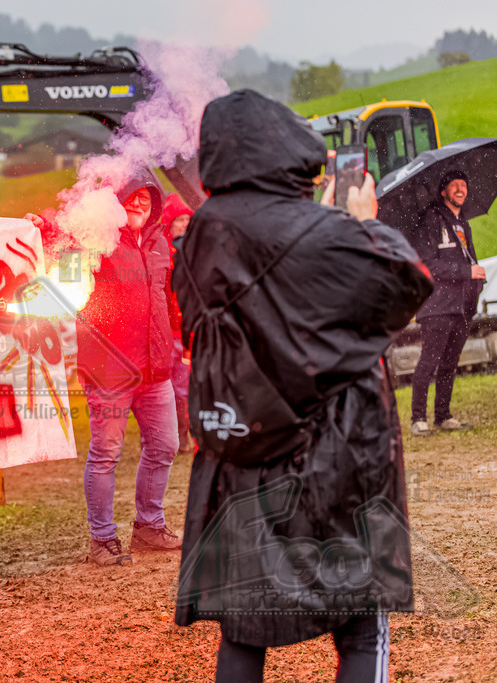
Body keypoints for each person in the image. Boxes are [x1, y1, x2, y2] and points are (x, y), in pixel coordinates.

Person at [173, 89, 433, 682]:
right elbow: (405, 284)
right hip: (333, 453)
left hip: (239, 450)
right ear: (285, 149)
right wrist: (359, 223)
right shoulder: (325, 231)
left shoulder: (197, 237)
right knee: (362, 619)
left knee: (241, 626)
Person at [28, 169, 181, 567]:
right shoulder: (97, 238)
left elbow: (167, 298)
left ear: (156, 205)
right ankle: (102, 539)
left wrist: (178, 342)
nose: (139, 203)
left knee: (165, 446)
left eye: (147, 198)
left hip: (155, 370)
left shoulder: (161, 244)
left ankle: (149, 526)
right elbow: (63, 244)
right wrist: (41, 228)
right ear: (115, 201)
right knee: (106, 455)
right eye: (132, 196)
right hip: (109, 370)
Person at [406, 170, 486, 435]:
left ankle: (443, 416)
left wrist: (475, 278)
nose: (461, 189)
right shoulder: (430, 220)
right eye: (455, 185)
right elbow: (428, 264)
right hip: (438, 305)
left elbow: (467, 260)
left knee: (450, 363)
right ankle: (418, 419)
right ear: (444, 191)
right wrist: (466, 272)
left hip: (462, 305)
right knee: (429, 361)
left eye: (464, 185)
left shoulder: (463, 223)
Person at [160, 194, 195, 455]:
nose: (183, 224)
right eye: (179, 219)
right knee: (160, 388)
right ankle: (159, 437)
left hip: (183, 331)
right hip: (162, 330)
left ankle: (182, 436)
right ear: (169, 223)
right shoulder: (159, 250)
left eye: (186, 219)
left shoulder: (192, 251)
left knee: (182, 388)